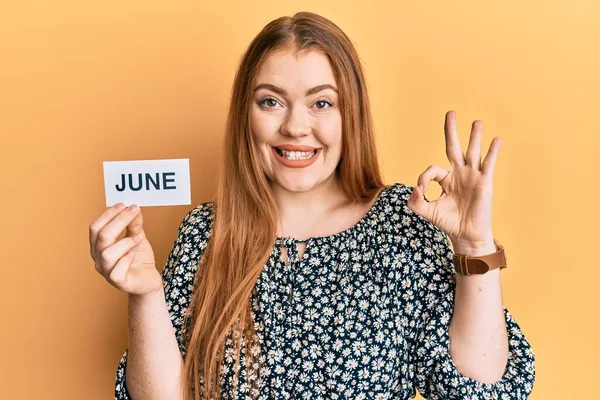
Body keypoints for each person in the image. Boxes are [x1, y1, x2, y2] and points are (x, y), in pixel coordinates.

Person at [89, 11, 536, 400]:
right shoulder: (206, 231)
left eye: (322, 102)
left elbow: (480, 389)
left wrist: (474, 243)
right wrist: (145, 294)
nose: (295, 126)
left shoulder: (403, 222)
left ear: (351, 114)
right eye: (270, 101)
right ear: (246, 114)